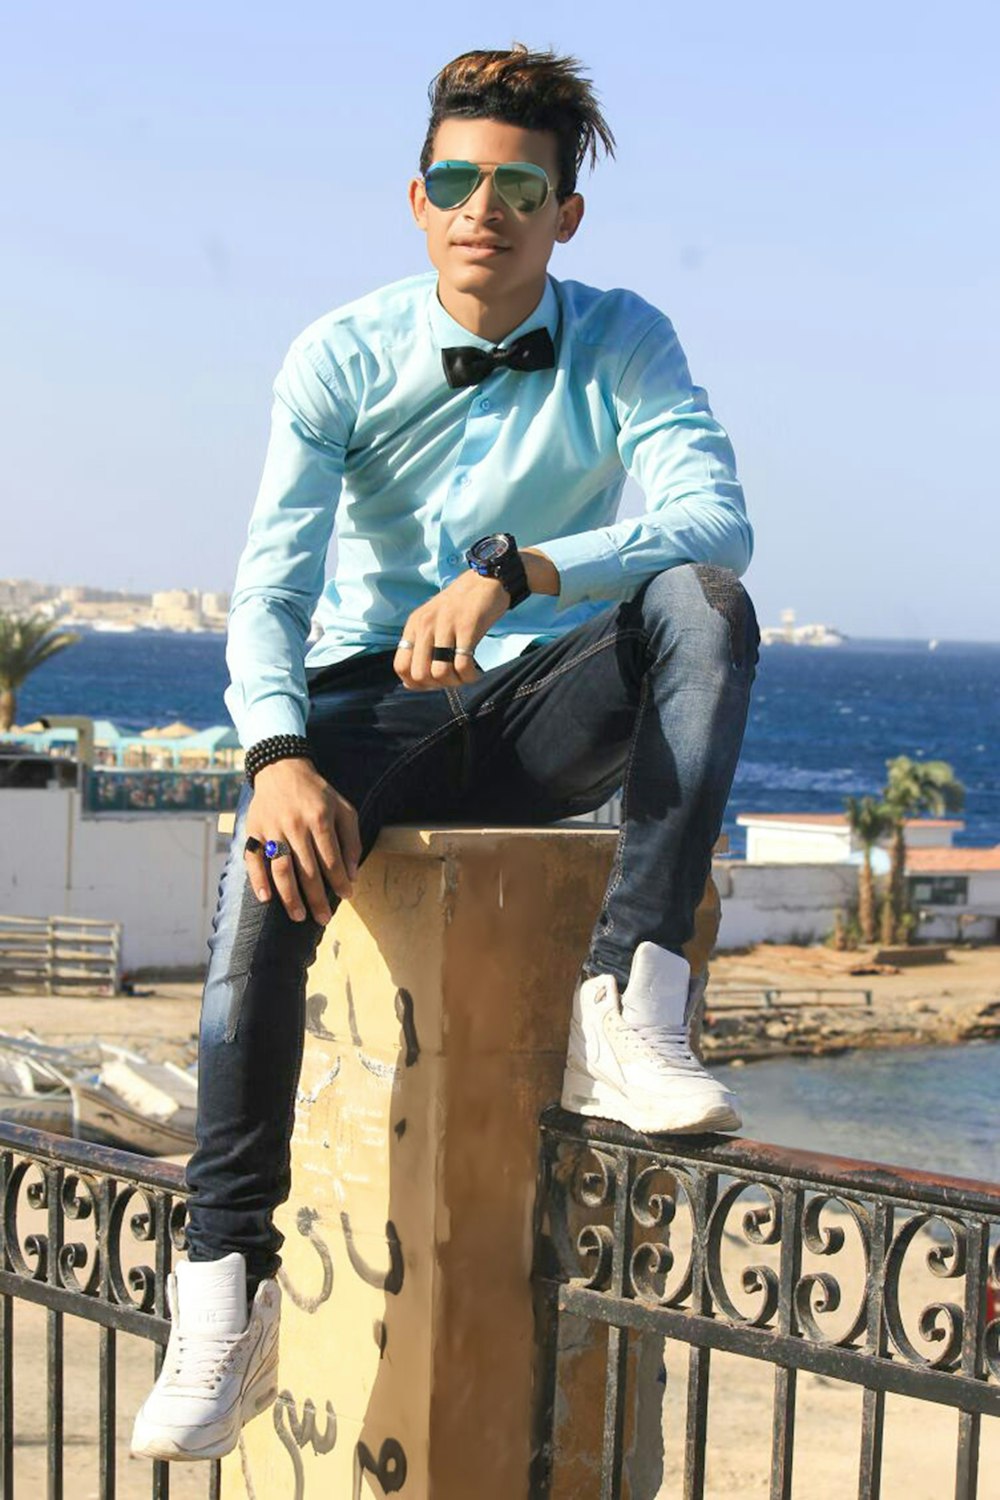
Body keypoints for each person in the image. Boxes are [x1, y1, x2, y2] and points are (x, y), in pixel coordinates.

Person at [131, 43, 759, 1463]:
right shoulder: (339, 353)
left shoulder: (626, 339)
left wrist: (525, 568)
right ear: (419, 200)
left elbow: (717, 523)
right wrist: (276, 754)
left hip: (538, 704)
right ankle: (226, 1289)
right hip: (362, 714)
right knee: (266, 885)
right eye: (461, 181)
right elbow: (274, 589)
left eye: (521, 185)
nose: (488, 208)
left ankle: (633, 1002)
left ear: (564, 215)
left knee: (703, 606)